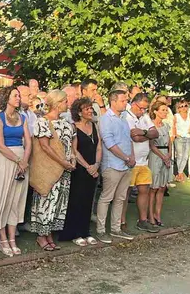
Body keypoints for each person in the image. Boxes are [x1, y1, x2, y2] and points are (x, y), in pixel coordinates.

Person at [29, 90, 75, 251]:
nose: (68, 104)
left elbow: (70, 144)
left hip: (65, 168)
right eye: (65, 101)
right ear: (57, 103)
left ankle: (49, 233)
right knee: (46, 199)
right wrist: (62, 162)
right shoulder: (42, 122)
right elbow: (45, 146)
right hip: (49, 168)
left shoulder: (66, 123)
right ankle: (41, 235)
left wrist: (72, 158)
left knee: (59, 200)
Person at [0, 87, 31, 256]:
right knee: (3, 199)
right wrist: (18, 160)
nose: (18, 98)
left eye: (19, 95)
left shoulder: (23, 117)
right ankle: (3, 239)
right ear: (7, 98)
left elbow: (28, 142)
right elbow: (0, 145)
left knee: (16, 200)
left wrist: (25, 161)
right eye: (15, 95)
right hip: (6, 160)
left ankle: (12, 238)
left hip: (22, 161)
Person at [59, 98, 101, 245]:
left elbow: (99, 147)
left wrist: (96, 165)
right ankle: (75, 233)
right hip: (80, 169)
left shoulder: (94, 125)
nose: (90, 111)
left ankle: (85, 231)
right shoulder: (74, 127)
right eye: (87, 109)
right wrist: (88, 167)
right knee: (77, 200)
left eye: (91, 108)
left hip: (94, 168)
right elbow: (74, 150)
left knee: (88, 201)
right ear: (79, 112)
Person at [96, 89, 136, 244]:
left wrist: (131, 157)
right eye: (123, 100)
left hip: (126, 165)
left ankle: (116, 228)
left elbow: (128, 140)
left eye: (126, 100)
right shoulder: (106, 119)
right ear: (113, 101)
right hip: (112, 164)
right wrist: (126, 157)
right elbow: (109, 143)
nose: (126, 103)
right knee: (107, 197)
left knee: (120, 198)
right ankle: (101, 230)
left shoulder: (123, 118)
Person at [122, 93, 159, 233]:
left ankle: (143, 220)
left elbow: (155, 133)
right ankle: (121, 221)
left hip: (144, 161)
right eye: (141, 108)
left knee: (144, 190)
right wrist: (147, 134)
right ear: (133, 104)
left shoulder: (145, 116)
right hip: (130, 161)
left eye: (145, 108)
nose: (143, 111)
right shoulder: (126, 116)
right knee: (125, 192)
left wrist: (142, 132)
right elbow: (134, 138)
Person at [148, 101, 172, 228]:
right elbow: (151, 145)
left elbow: (170, 141)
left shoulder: (166, 125)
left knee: (162, 187)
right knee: (153, 187)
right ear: (155, 111)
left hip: (166, 155)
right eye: (163, 110)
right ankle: (150, 215)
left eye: (166, 110)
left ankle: (157, 214)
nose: (165, 112)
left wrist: (169, 155)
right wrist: (163, 156)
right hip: (155, 155)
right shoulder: (150, 125)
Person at [172, 99, 190, 182]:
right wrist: (176, 134)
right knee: (180, 155)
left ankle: (179, 173)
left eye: (185, 106)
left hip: (188, 137)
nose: (184, 108)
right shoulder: (176, 116)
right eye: (181, 106)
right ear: (178, 108)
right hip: (179, 137)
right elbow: (173, 126)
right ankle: (180, 174)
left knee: (186, 156)